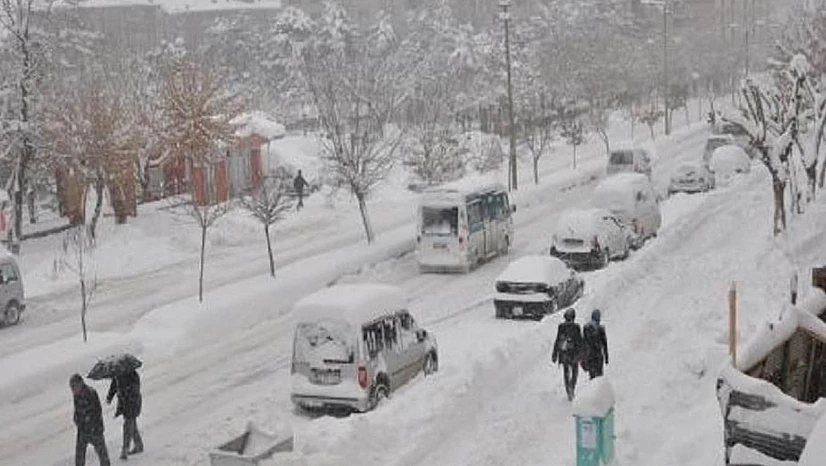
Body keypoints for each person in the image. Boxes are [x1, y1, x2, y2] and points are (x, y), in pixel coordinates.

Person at [70, 373, 111, 466]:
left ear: (80, 384)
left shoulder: (91, 393)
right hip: (83, 429)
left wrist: (89, 420)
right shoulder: (76, 396)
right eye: (71, 387)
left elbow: (96, 411)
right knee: (80, 454)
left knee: (102, 452)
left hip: (95, 429)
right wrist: (76, 418)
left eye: (74, 386)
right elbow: (77, 410)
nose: (73, 390)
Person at [107, 369, 144, 460]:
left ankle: (125, 449)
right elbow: (114, 386)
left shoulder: (133, 374)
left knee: (127, 426)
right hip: (125, 403)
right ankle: (138, 445)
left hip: (133, 402)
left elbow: (135, 388)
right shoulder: (118, 375)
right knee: (132, 425)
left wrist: (125, 391)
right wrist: (110, 396)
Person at [552, 308, 583, 401]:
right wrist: (581, 353)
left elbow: (557, 340)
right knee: (574, 371)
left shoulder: (561, 327)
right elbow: (579, 341)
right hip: (573, 353)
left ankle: (568, 389)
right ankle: (572, 387)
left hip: (564, 353)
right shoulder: (576, 327)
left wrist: (555, 353)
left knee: (566, 372)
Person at [582, 309, 609, 380]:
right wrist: (606, 357)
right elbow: (604, 344)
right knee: (599, 378)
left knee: (592, 377)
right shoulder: (601, 328)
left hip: (589, 356)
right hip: (598, 355)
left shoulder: (586, 327)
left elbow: (583, 343)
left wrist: (583, 358)